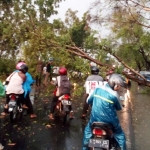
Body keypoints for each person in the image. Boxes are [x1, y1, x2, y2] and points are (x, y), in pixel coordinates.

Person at [82, 73, 127, 150]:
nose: (119, 88)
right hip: (110, 121)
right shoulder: (115, 95)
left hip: (94, 120)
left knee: (87, 133)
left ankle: (84, 148)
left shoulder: (97, 89)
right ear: (114, 84)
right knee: (120, 135)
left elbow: (88, 100)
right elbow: (119, 108)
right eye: (118, 85)